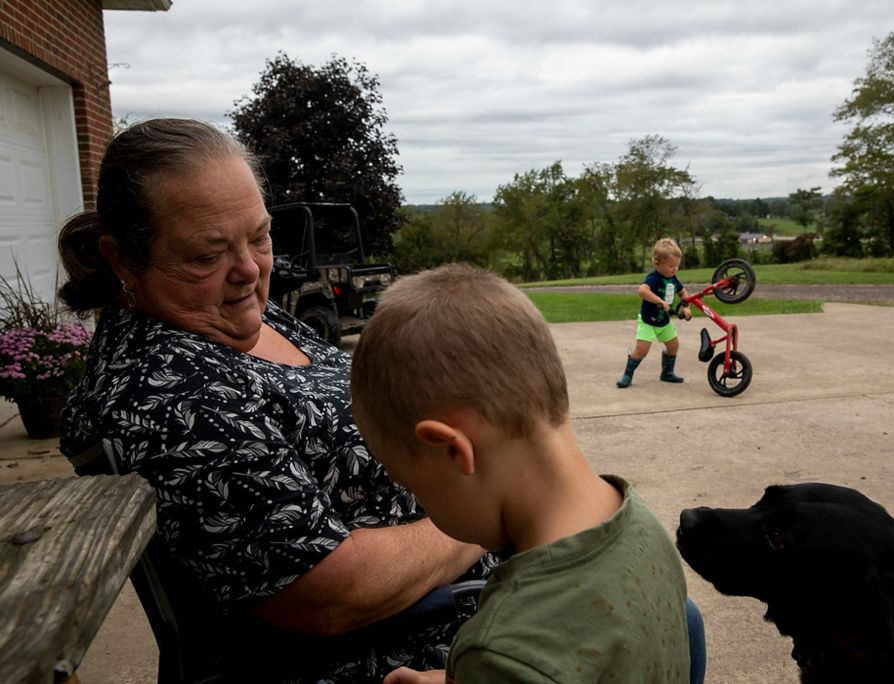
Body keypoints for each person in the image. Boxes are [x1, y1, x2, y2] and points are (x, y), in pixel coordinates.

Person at [57, 118, 497, 682]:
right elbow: (331, 594)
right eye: (205, 255)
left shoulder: (243, 316)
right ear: (122, 259)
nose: (249, 270)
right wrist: (485, 510)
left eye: (260, 236)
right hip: (399, 655)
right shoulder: (164, 396)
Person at [350, 264, 697, 683]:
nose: (424, 505)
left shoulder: (506, 650)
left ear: (453, 451)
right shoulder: (641, 525)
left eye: (414, 488)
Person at [616, 237, 693, 388]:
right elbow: (642, 290)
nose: (674, 269)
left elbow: (683, 292)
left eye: (677, 266)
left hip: (664, 322)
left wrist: (686, 307)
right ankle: (627, 375)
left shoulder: (673, 279)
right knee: (642, 350)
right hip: (648, 322)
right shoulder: (654, 278)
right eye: (671, 266)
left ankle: (667, 373)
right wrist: (659, 301)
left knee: (673, 346)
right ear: (657, 263)